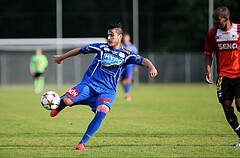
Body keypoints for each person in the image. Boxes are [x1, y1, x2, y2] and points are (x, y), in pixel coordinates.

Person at [51, 23, 158, 150]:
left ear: (119, 37)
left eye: (112, 35)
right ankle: (61, 105)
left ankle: (82, 143)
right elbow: (80, 50)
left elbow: (143, 60)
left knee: (102, 111)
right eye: (108, 35)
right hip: (89, 85)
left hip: (107, 91)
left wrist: (152, 67)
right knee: (67, 101)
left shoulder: (127, 54)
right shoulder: (101, 47)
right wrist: (62, 57)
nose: (109, 38)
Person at [204, 6, 240, 147]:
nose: (215, 22)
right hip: (223, 76)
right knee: (227, 107)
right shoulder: (212, 33)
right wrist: (208, 70)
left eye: (218, 20)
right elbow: (208, 54)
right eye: (214, 20)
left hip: (239, 74)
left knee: (239, 105)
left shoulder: (238, 30)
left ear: (226, 18)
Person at [120, 32, 139, 101]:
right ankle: (126, 93)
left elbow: (136, 57)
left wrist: (136, 66)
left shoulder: (132, 47)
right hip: (121, 66)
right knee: (122, 81)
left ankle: (127, 94)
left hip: (129, 66)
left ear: (129, 38)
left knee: (128, 80)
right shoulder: (120, 46)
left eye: (127, 37)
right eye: (124, 37)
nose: (125, 39)